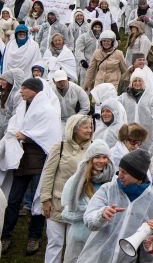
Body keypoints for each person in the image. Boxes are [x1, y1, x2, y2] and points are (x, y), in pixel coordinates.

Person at [1, 78, 62, 255]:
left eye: (25, 88)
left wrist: (26, 135)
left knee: (39, 200)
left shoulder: (48, 110)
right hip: (21, 162)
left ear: (34, 90)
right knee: (13, 200)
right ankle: (5, 235)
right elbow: (14, 126)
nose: (21, 91)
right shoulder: (22, 107)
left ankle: (34, 237)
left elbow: (49, 135)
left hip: (39, 163)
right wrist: (16, 135)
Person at [76, 149, 153, 263]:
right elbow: (88, 220)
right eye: (120, 170)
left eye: (125, 172)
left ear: (138, 177)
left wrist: (151, 242)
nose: (119, 175)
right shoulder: (107, 189)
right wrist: (101, 214)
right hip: (94, 259)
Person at [38, 114, 93, 263]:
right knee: (55, 243)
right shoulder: (60, 147)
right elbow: (48, 175)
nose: (89, 130)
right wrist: (45, 199)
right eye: (85, 127)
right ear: (74, 129)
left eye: (90, 127)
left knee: (73, 246)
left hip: (78, 206)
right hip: (56, 203)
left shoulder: (93, 149)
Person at [60, 140, 114, 263]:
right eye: (97, 157)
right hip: (78, 239)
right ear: (90, 159)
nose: (101, 161)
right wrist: (93, 211)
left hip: (101, 240)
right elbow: (66, 214)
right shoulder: (75, 181)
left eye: (105, 157)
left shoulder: (113, 182)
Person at [119, 68, 153, 151]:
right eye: (135, 81)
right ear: (131, 83)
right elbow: (114, 106)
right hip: (129, 132)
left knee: (145, 154)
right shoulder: (124, 97)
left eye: (140, 81)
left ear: (143, 82)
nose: (137, 83)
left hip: (145, 133)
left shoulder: (150, 97)